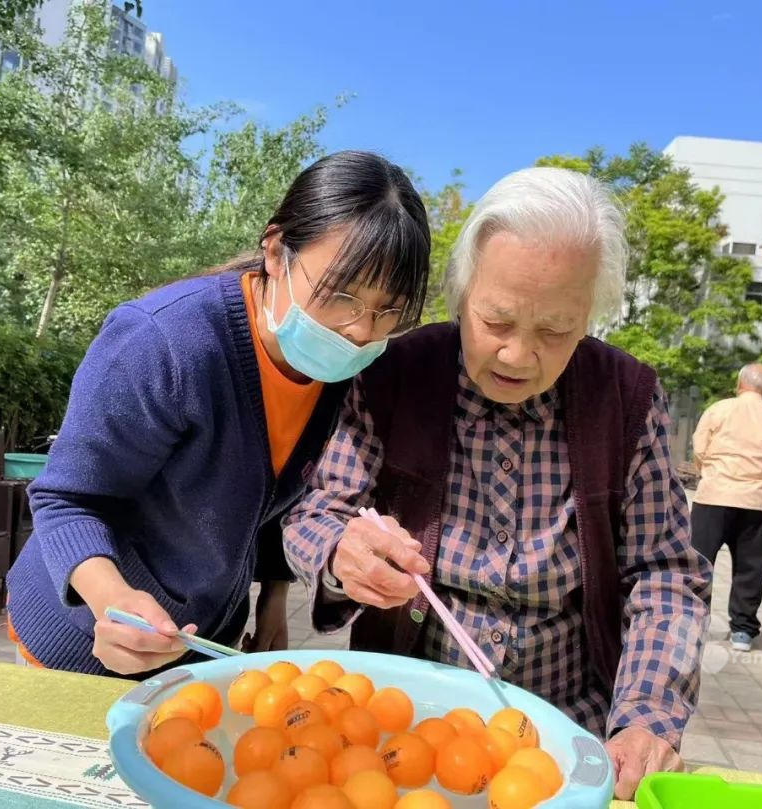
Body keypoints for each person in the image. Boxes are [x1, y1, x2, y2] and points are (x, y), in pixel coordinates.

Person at [283, 167, 712, 801]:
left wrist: (647, 715)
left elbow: (666, 574)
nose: (517, 355)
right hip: (407, 728)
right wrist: (342, 553)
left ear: (590, 315)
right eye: (498, 321)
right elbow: (317, 511)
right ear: (462, 293)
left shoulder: (626, 399)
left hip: (567, 734)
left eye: (556, 330)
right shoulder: (394, 375)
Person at [6, 150, 431, 675]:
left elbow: (270, 499)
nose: (361, 330)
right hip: (85, 642)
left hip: (202, 650)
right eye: (340, 294)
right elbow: (65, 498)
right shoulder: (164, 342)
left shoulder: (333, 369)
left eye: (390, 309)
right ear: (276, 252)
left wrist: (271, 603)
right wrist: (110, 600)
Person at [690, 363, 762, 653]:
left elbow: (700, 447)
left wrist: (708, 471)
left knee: (698, 563)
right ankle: (743, 632)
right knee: (751, 567)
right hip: (756, 502)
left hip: (713, 497)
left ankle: (692, 624)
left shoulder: (719, 410)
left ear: (739, 384)